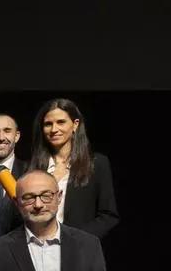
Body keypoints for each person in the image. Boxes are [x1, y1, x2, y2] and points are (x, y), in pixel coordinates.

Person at [29, 98, 119, 239]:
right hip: (38, 245)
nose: (54, 129)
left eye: (61, 122)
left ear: (75, 124)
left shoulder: (96, 164)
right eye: (48, 124)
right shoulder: (32, 167)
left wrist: (77, 240)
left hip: (80, 247)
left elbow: (108, 216)